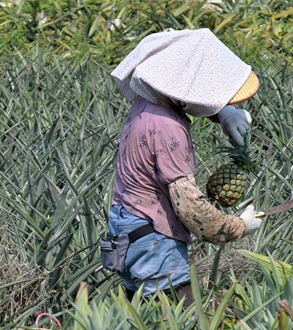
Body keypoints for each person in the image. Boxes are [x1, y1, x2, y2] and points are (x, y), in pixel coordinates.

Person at [106, 29, 263, 306]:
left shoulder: (147, 102)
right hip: (154, 238)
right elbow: (191, 208)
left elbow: (180, 92)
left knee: (140, 315)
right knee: (182, 318)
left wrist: (223, 113)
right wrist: (238, 226)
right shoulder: (168, 129)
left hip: (127, 226)